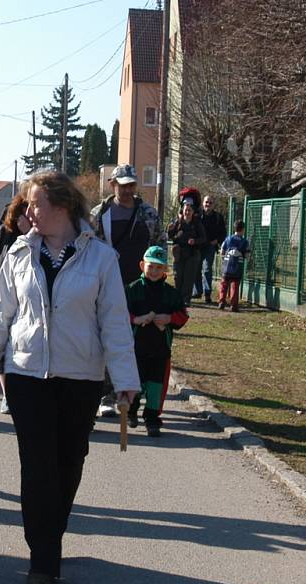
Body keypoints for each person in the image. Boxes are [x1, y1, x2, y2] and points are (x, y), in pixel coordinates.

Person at [0, 170, 140, 584]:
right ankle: (42, 557)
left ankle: (51, 534)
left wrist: (125, 379)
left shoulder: (101, 258)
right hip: (27, 375)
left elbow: (115, 322)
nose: (28, 211)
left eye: (36, 204)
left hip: (80, 377)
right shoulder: (18, 255)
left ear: (62, 206)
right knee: (38, 465)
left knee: (69, 461)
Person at [90, 164, 163, 418]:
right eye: (123, 185)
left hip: (141, 287)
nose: (127, 189)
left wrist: (157, 277)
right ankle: (106, 394)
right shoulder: (100, 214)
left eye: (131, 184)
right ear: (113, 184)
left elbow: (159, 245)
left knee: (137, 341)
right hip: (107, 285)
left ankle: (134, 394)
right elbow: (90, 248)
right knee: (108, 337)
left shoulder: (149, 214)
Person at [125, 246, 189, 436]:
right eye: (151, 267)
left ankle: (152, 418)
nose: (154, 272)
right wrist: (136, 319)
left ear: (165, 271)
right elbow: (118, 314)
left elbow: (183, 316)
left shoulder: (172, 294)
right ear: (142, 265)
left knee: (156, 387)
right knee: (134, 383)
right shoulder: (132, 290)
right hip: (135, 349)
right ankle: (131, 411)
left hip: (161, 350)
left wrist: (169, 319)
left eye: (159, 268)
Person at [0, 194, 32, 414]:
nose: (28, 217)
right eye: (23, 212)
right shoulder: (3, 234)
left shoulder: (42, 237)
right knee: (4, 346)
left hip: (28, 300)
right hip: (3, 295)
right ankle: (7, 395)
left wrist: (29, 233)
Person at [167, 200, 207, 306]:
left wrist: (195, 241)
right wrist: (170, 230)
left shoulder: (197, 224)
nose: (187, 212)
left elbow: (203, 238)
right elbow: (170, 236)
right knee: (178, 276)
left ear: (193, 212)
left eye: (189, 210)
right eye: (186, 210)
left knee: (188, 277)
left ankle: (186, 299)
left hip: (192, 253)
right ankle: (177, 298)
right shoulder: (178, 222)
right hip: (179, 253)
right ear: (182, 211)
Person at [193, 195, 227, 304]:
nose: (208, 204)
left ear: (213, 205)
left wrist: (216, 241)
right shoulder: (197, 216)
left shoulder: (218, 217)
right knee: (196, 269)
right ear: (203, 203)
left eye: (210, 203)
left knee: (207, 269)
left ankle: (207, 294)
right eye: (206, 202)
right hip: (198, 246)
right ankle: (197, 291)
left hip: (210, 247)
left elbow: (223, 233)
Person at [219, 219, 251, 312]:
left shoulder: (228, 238)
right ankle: (233, 305)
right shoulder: (244, 241)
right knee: (234, 286)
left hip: (227, 266)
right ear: (243, 229)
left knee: (224, 284)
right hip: (237, 267)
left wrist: (224, 257)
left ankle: (221, 302)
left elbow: (222, 250)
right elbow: (247, 254)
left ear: (234, 228)